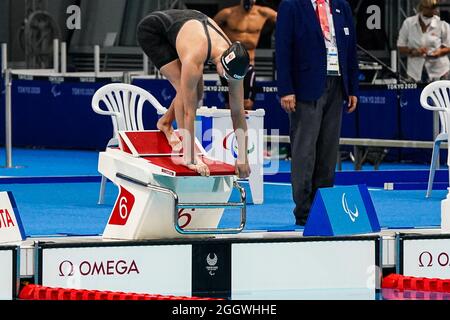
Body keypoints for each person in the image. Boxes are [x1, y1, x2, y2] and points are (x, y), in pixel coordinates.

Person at [137, 9, 251, 178]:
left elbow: (238, 111)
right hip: (155, 31)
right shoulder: (195, 54)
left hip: (189, 28)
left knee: (196, 91)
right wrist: (191, 157)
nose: (228, 80)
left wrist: (243, 157)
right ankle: (169, 128)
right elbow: (189, 111)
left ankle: (164, 123)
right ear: (222, 64)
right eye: (226, 76)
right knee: (189, 93)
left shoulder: (235, 63)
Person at [276, 0, 359, 226]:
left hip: (337, 83)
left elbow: (350, 48)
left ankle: (323, 209)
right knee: (305, 150)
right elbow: (283, 48)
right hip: (305, 87)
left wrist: (353, 88)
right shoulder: (291, 6)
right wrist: (286, 89)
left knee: (328, 151)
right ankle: (303, 211)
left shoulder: (342, 6)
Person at [214, 0, 277, 109]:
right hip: (229, 64)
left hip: (249, 64)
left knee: (247, 103)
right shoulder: (227, 14)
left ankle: (245, 126)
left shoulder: (263, 13)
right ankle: (230, 126)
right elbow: (211, 29)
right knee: (230, 104)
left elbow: (286, 20)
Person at [397, 0, 450, 83]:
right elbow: (401, 46)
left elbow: (448, 46)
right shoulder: (409, 23)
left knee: (438, 94)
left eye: (433, 8)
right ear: (422, 7)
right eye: (428, 8)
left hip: (439, 70)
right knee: (415, 94)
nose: (431, 10)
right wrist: (414, 51)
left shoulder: (442, 23)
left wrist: (438, 52)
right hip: (415, 71)